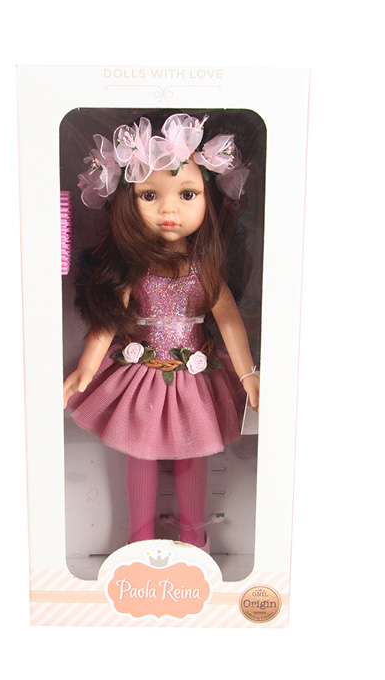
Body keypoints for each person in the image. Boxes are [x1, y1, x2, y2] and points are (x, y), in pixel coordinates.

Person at [63, 113, 259, 552]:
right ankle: (138, 541)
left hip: (194, 374)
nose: (169, 209)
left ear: (209, 199)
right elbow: (109, 320)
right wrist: (85, 371)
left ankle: (194, 539)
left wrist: (248, 375)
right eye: (149, 195)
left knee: (193, 453)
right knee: (139, 454)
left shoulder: (205, 268)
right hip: (143, 374)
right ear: (126, 202)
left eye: (187, 194)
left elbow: (229, 320)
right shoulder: (133, 268)